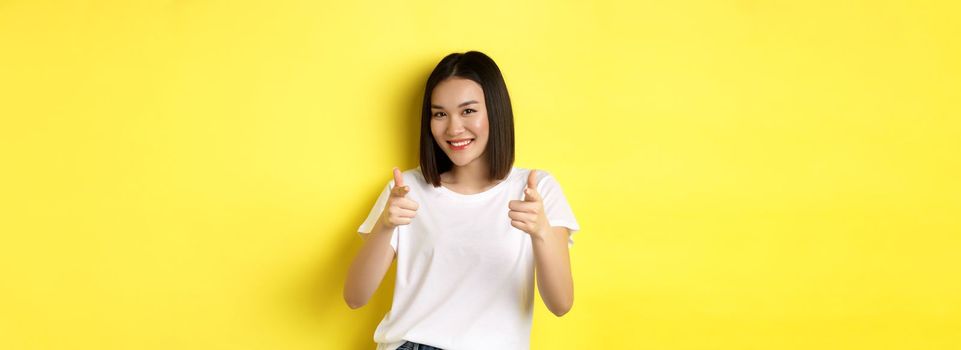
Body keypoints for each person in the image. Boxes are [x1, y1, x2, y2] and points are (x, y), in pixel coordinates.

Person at [343, 51, 580, 350]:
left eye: (468, 111)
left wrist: (541, 232)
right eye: (440, 114)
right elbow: (355, 296)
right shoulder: (406, 190)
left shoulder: (536, 190)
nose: (453, 128)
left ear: (495, 111)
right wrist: (386, 226)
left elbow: (561, 304)